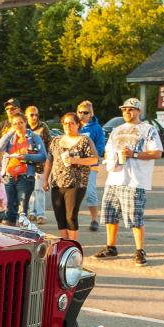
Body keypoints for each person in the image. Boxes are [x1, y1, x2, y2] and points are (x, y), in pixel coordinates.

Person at [93, 97, 163, 266]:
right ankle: (111, 246)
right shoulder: (117, 130)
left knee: (135, 217)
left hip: (134, 180)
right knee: (110, 214)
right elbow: (108, 150)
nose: (127, 112)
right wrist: (111, 160)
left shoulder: (148, 129)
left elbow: (157, 152)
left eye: (131, 109)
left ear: (139, 111)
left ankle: (140, 250)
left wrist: (135, 154)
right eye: (124, 110)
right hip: (115, 177)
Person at [42, 112, 98, 240]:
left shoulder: (84, 140)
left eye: (72, 123)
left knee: (71, 216)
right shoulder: (56, 141)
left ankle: (72, 244)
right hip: (57, 182)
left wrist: (75, 160)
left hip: (76, 183)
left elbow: (94, 159)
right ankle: (64, 243)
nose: (68, 125)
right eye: (65, 123)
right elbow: (49, 160)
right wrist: (45, 179)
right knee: (59, 215)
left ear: (78, 124)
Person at [0, 112, 46, 226]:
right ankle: (10, 233)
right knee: (9, 207)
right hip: (9, 176)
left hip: (25, 176)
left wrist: (27, 157)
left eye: (20, 123)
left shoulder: (34, 137)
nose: (18, 125)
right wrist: (10, 132)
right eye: (15, 123)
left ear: (25, 122)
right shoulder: (11, 138)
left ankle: (22, 233)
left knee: (22, 208)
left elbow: (43, 156)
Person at [77, 100, 106, 232]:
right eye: (80, 112)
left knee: (90, 192)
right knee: (73, 192)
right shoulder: (74, 125)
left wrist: (93, 155)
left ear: (91, 114)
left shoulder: (96, 128)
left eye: (85, 112)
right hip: (74, 165)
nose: (82, 115)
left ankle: (94, 220)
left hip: (90, 165)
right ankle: (71, 218)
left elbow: (100, 146)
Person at [25, 105, 51, 224]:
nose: (35, 117)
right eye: (32, 114)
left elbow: (49, 143)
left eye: (36, 114)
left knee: (39, 189)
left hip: (40, 163)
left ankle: (40, 214)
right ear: (26, 116)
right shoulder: (23, 127)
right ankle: (31, 212)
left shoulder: (43, 127)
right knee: (30, 189)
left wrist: (48, 159)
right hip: (26, 163)